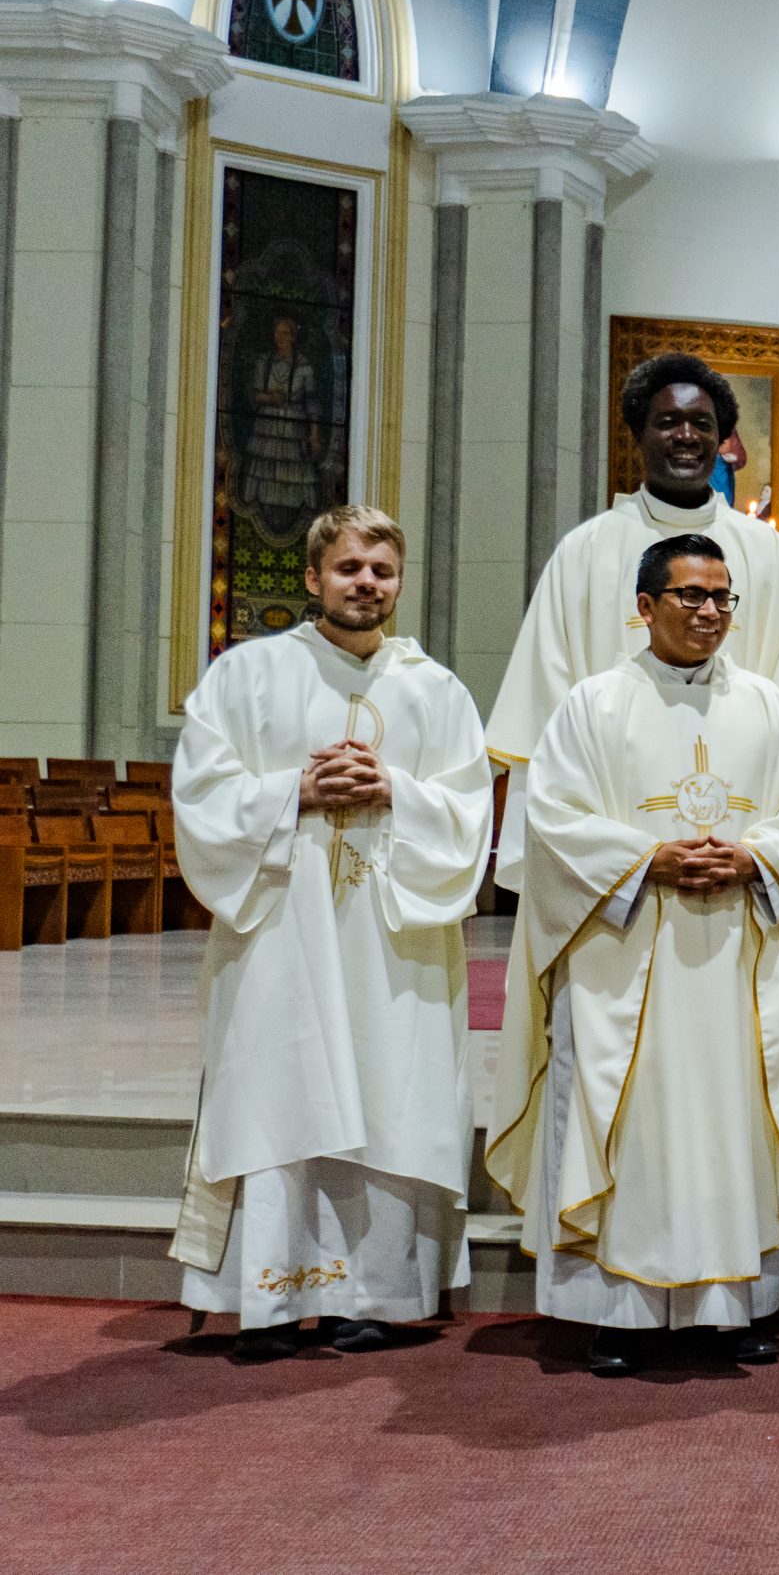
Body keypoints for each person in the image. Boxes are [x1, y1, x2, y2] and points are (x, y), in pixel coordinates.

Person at [488, 534, 779, 1377]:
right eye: (690, 595)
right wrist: (649, 858)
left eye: (723, 596)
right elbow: (554, 819)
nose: (710, 611)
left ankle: (739, 1304)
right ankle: (618, 1311)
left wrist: (756, 856)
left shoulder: (769, 708)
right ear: (644, 607)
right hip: (626, 951)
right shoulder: (592, 706)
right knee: (631, 1118)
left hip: (735, 956)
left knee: (735, 1117)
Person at [170, 506, 493, 1361]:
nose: (367, 584)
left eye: (382, 571)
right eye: (349, 568)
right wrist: (296, 792)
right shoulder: (247, 676)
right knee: (283, 1086)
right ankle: (271, 1299)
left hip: (394, 946)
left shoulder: (435, 689)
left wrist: (395, 789)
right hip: (283, 932)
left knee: (390, 1095)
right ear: (313, 578)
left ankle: (376, 1297)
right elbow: (200, 798)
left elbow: (470, 814)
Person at [485, 351, 779, 875]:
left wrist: (769, 847)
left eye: (702, 424)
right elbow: (545, 701)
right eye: (668, 422)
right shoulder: (585, 552)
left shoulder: (769, 554)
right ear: (638, 434)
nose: (686, 435)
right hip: (618, 815)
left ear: (723, 440)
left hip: (742, 820)